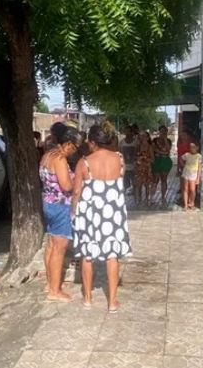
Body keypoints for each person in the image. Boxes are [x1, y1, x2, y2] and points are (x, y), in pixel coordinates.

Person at [71, 124, 132, 313]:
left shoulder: (84, 163)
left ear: (92, 142)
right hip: (113, 214)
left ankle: (87, 299)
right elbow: (120, 180)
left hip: (90, 215)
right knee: (112, 256)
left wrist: (73, 212)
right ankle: (112, 302)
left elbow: (76, 191)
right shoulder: (119, 159)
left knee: (87, 255)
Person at [39, 123, 79, 302]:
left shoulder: (47, 155)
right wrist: (79, 180)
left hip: (49, 204)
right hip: (61, 206)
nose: (74, 150)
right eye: (74, 146)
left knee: (51, 245)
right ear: (68, 143)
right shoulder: (60, 159)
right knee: (59, 249)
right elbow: (66, 186)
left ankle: (50, 283)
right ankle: (54, 291)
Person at [150, 125, 173, 206]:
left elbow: (168, 149)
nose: (163, 132)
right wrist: (164, 152)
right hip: (157, 160)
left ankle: (163, 197)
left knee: (164, 179)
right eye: (161, 131)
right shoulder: (155, 140)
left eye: (164, 131)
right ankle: (151, 196)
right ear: (159, 131)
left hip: (165, 161)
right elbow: (154, 149)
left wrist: (165, 139)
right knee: (155, 179)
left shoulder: (169, 140)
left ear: (166, 131)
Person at [133, 131, 154, 207]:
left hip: (147, 168)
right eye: (141, 136)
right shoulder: (138, 146)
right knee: (138, 184)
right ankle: (137, 200)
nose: (142, 137)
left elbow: (153, 160)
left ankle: (147, 199)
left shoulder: (149, 147)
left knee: (147, 184)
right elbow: (134, 157)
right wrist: (138, 158)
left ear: (148, 137)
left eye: (144, 136)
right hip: (138, 168)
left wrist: (145, 158)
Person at [181, 142, 202, 211]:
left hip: (194, 173)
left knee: (192, 190)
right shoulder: (187, 154)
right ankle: (185, 204)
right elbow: (181, 159)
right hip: (186, 173)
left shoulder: (199, 156)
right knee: (185, 189)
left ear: (197, 148)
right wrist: (183, 165)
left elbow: (199, 167)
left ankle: (191, 203)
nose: (191, 149)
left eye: (193, 147)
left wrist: (198, 177)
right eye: (190, 147)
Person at [118, 126, 139, 194]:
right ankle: (126, 190)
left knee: (134, 177)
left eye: (129, 131)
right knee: (125, 178)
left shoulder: (136, 142)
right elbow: (120, 153)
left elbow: (139, 152)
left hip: (134, 163)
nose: (128, 133)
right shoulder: (121, 142)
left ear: (132, 132)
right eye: (126, 131)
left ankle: (135, 191)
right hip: (125, 163)